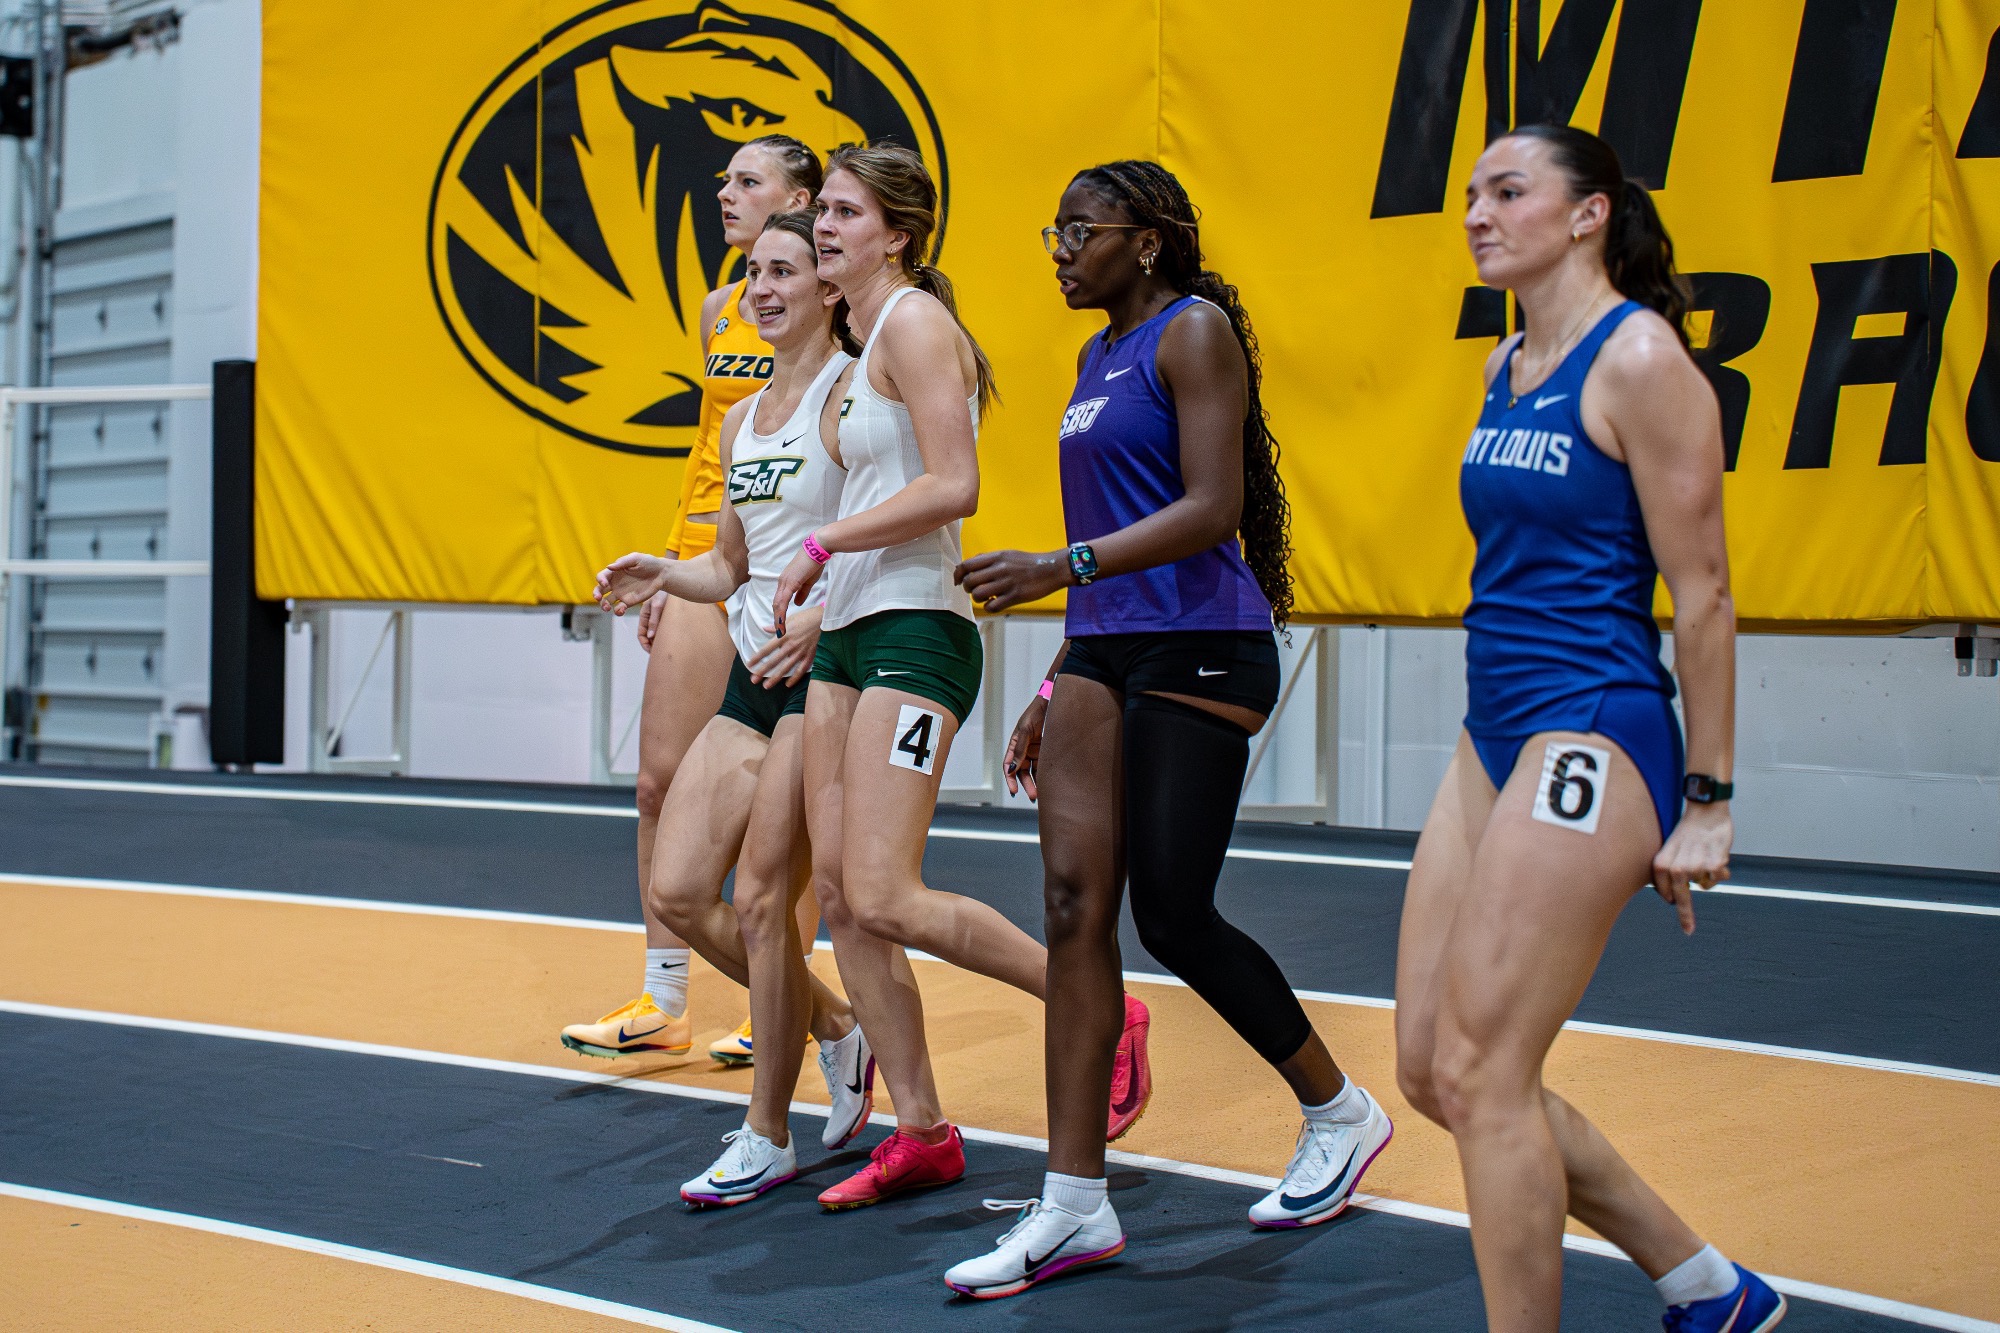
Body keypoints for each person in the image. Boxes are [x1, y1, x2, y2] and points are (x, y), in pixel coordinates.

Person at [941, 161, 1392, 1299]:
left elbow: (1210, 508)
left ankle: (1339, 1112)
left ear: (1144, 243)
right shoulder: (1092, 358)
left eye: (1078, 230)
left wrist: (1057, 568)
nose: (1056, 248)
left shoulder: (1190, 334)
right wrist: (1056, 672)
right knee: (1071, 909)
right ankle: (1072, 1204)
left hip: (1203, 637)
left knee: (1174, 913)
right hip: (1103, 644)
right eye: (1052, 228)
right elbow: (1112, 520)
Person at [1394, 125, 1782, 1333]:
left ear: (1587, 215)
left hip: (1595, 725)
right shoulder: (1505, 361)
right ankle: (1704, 1285)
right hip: (1492, 725)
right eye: (1468, 194)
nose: (1475, 213)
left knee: (1481, 1071)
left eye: (1507, 192)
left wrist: (1706, 800)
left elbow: (1704, 591)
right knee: (1427, 1071)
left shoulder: (1640, 361)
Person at [769, 142, 1148, 1212]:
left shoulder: (916, 324)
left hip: (916, 633)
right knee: (843, 902)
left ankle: (1093, 1003)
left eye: (844, 211)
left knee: (885, 888)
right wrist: (804, 602)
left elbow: (953, 484)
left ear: (896, 233)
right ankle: (923, 1129)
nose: (825, 225)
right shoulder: (848, 347)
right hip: (844, 637)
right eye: (822, 211)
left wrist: (819, 547)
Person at [593, 210, 874, 1202]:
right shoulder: (738, 418)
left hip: (824, 675)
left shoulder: (852, 397)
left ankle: (766, 1132)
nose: (760, 287)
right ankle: (834, 1024)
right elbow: (729, 566)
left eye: (784, 270)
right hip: (749, 678)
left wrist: (825, 616)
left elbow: (884, 533)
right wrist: (659, 574)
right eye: (753, 271)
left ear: (826, 289)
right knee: (676, 890)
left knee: (762, 901)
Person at [562, 134, 825, 1066]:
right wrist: (672, 569)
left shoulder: (836, 308)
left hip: (795, 563)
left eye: (747, 180)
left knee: (782, 805)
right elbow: (709, 449)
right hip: (710, 554)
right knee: (656, 781)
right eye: (723, 178)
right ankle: (663, 998)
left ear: (801, 193)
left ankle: (780, 992)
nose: (725, 190)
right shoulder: (720, 308)